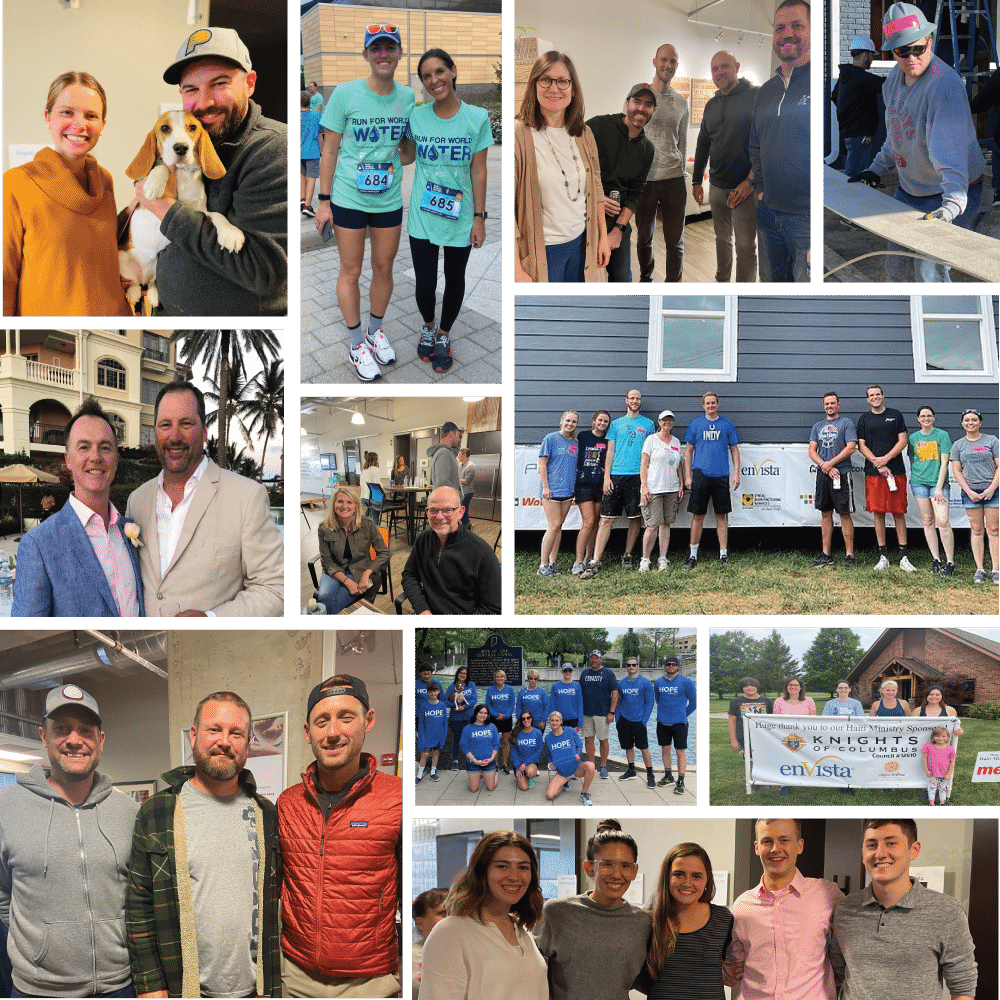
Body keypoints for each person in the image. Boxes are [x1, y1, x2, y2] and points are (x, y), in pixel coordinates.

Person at [126, 691, 281, 998]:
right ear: (194, 735)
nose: (224, 741)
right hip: (182, 988)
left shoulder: (266, 813)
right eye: (214, 729)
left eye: (236, 733)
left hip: (257, 989)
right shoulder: (157, 812)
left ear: (248, 742)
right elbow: (138, 906)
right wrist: (150, 985)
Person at [133, 28, 288, 316]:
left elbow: (262, 271)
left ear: (249, 84)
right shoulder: (193, 139)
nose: (203, 103)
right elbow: (142, 177)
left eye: (219, 84)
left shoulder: (275, 148)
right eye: (191, 89)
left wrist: (165, 208)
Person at [0, 685, 139, 999]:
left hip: (119, 987)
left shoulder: (129, 812)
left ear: (100, 740)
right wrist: (40, 944)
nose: (75, 740)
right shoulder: (6, 808)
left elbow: (138, 896)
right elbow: (2, 893)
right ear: (44, 736)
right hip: (37, 991)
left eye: (85, 731)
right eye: (62, 729)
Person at [277, 675, 403, 999]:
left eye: (346, 717)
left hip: (370, 982)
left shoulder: (398, 798)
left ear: (368, 720)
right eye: (322, 721)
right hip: (297, 976)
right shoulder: (287, 804)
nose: (333, 732)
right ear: (308, 732)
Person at [851, 4, 986, 283]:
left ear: (929, 41)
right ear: (892, 51)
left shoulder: (944, 87)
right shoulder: (893, 82)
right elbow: (897, 134)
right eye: (903, 51)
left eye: (918, 48)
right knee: (896, 269)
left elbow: (952, 158)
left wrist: (951, 207)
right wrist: (876, 169)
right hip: (910, 190)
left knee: (930, 272)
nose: (911, 57)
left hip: (950, 190)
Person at [126, 382, 283, 616]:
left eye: (186, 424)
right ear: (156, 431)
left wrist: (212, 619)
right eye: (165, 425)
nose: (174, 436)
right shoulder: (137, 501)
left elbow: (276, 588)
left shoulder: (247, 497)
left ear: (204, 432)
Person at [314, 24, 415, 380]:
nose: (383, 54)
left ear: (399, 54)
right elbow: (329, 150)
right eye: (376, 49)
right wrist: (323, 201)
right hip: (348, 197)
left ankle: (375, 331)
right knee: (351, 271)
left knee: (384, 269)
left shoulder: (407, 97)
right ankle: (357, 343)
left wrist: (403, 153)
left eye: (390, 48)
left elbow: (406, 151)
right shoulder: (345, 94)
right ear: (366, 55)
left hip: (388, 198)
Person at [3, 72, 130, 317]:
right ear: (48, 117)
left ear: (102, 125)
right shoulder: (16, 183)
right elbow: (4, 277)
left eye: (91, 115)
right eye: (67, 112)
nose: (79, 124)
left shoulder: (105, 180)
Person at [12, 398, 143, 617]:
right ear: (68, 460)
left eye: (105, 447)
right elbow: (28, 632)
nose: (95, 457)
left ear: (116, 460)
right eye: (84, 447)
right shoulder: (38, 545)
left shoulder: (130, 529)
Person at [408, 48, 492, 372]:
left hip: (461, 216)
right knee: (425, 282)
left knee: (455, 278)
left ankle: (444, 334)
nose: (434, 80)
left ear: (453, 71)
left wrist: (479, 218)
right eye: (426, 76)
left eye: (439, 72)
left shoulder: (476, 118)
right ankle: (428, 327)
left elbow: (479, 170)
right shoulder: (416, 117)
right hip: (423, 216)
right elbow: (405, 154)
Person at [830, 819, 977, 1000]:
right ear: (863, 854)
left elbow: (963, 988)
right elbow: (837, 973)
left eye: (891, 843)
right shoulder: (845, 909)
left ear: (914, 850)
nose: (880, 853)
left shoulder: (947, 911)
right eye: (871, 845)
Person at [514, 51, 610, 282]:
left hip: (582, 245)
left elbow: (596, 186)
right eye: (545, 80)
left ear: (573, 88)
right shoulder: (518, 134)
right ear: (534, 85)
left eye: (563, 81)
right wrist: (515, 268)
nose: (554, 88)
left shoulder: (584, 133)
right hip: (542, 251)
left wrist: (602, 236)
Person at [419, 831, 547, 1000]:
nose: (514, 876)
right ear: (481, 872)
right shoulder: (450, 932)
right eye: (502, 866)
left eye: (523, 867)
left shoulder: (522, 930)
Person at [723, 818, 842, 999]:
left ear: (800, 845)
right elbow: (731, 974)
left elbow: (854, 950)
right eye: (767, 841)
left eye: (784, 840)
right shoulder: (742, 906)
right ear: (757, 847)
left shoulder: (827, 894)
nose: (775, 849)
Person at [536, 820, 652, 999]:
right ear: (589, 868)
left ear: (634, 871)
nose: (616, 874)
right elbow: (531, 975)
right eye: (607, 864)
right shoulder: (556, 913)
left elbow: (647, 979)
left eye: (625, 865)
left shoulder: (643, 921)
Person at [749, 1, 812, 283]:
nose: (787, 34)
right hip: (768, 212)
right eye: (779, 28)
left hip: (806, 219)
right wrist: (761, 189)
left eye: (797, 25)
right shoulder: (765, 91)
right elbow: (755, 145)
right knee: (772, 290)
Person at [691, 51, 759, 283]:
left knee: (745, 247)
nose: (719, 72)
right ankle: (722, 284)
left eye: (724, 66)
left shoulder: (756, 96)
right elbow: (703, 143)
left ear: (737, 67)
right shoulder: (711, 105)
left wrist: (750, 181)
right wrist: (697, 180)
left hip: (745, 189)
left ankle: (744, 293)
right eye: (715, 69)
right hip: (717, 187)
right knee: (722, 240)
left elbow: (765, 142)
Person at [641, 842, 733, 999]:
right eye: (679, 874)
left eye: (696, 876)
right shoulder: (648, 921)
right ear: (667, 877)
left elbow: (734, 969)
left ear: (707, 880)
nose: (687, 883)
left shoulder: (723, 919)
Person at [585, 85, 656, 282]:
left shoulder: (648, 149)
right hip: (585, 215)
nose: (641, 108)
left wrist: (618, 230)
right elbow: (573, 162)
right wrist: (596, 197)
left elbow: (635, 193)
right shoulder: (599, 126)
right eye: (637, 102)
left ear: (653, 110)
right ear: (627, 103)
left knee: (623, 279)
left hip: (616, 221)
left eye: (648, 104)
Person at [582, 389, 655, 577]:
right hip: (616, 475)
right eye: (632, 398)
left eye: (638, 398)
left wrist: (646, 480)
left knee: (635, 518)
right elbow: (610, 451)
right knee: (606, 519)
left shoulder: (648, 424)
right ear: (626, 400)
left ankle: (628, 555)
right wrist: (607, 477)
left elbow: (650, 452)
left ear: (641, 401)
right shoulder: (615, 424)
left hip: (637, 476)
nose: (635, 401)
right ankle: (595, 560)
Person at [633, 44, 689, 283]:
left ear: (677, 65)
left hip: (674, 180)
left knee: (675, 242)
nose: (668, 65)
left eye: (673, 61)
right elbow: (629, 135)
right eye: (664, 60)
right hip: (645, 180)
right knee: (643, 238)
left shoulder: (681, 102)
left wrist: (682, 172)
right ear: (654, 62)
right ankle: (646, 281)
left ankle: (673, 288)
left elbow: (683, 142)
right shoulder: (640, 97)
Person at [400, 486, 503, 614]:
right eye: (433, 510)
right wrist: (422, 609)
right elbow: (409, 575)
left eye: (448, 510)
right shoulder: (422, 540)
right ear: (426, 512)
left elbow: (492, 609)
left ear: (461, 512)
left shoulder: (482, 553)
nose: (439, 516)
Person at [856, 383, 913, 572]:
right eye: (871, 395)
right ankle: (883, 556)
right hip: (874, 474)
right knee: (878, 513)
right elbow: (861, 446)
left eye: (877, 394)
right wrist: (878, 463)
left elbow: (903, 441)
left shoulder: (896, 415)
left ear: (883, 396)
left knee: (898, 513)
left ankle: (904, 557)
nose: (875, 397)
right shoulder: (864, 419)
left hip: (896, 471)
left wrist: (886, 459)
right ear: (867, 399)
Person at [682, 391, 741, 569]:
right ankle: (692, 555)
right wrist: (688, 476)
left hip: (721, 475)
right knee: (697, 516)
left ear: (718, 404)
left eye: (713, 403)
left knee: (721, 516)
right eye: (707, 403)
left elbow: (734, 449)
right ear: (703, 406)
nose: (710, 406)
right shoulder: (696, 424)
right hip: (700, 474)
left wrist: (736, 473)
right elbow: (688, 451)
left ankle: (723, 555)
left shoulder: (727, 424)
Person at [315, 486, 389, 615]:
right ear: (333, 504)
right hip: (334, 570)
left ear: (356, 506)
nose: (345, 506)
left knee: (329, 604)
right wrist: (347, 581)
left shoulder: (367, 524)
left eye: (349, 502)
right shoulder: (324, 528)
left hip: (359, 570)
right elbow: (326, 560)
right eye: (340, 501)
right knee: (324, 597)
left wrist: (367, 574)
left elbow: (384, 552)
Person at [808, 391, 858, 569]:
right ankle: (826, 554)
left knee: (844, 513)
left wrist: (831, 464)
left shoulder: (846, 423)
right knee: (825, 513)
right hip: (824, 474)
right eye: (826, 404)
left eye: (832, 403)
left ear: (838, 405)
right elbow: (812, 451)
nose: (829, 406)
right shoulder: (817, 426)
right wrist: (825, 466)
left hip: (841, 474)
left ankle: (850, 555)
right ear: (824, 406)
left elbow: (851, 447)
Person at [950, 407, 999, 584]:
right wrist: (969, 491)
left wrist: (992, 489)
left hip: (992, 491)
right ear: (962, 423)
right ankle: (980, 569)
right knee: (977, 530)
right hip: (970, 492)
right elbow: (956, 471)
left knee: (993, 530)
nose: (970, 423)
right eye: (967, 420)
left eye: (974, 420)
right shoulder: (958, 445)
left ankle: (996, 570)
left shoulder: (992, 440)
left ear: (980, 423)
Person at [907, 405, 955, 574]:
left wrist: (939, 488)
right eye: (923, 416)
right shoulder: (913, 438)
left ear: (934, 418)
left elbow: (944, 463)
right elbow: (913, 459)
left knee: (943, 521)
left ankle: (950, 562)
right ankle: (936, 560)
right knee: (927, 521)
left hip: (937, 484)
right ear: (918, 419)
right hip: (919, 483)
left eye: (929, 416)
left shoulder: (942, 435)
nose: (926, 419)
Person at [832, 36, 886, 177]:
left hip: (848, 132)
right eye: (871, 55)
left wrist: (850, 110)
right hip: (860, 135)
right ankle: (847, 193)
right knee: (854, 176)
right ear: (864, 54)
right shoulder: (861, 77)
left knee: (853, 171)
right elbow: (887, 84)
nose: (872, 60)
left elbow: (834, 96)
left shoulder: (845, 77)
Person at [639, 409, 684, 571]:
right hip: (654, 489)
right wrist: (644, 486)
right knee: (652, 526)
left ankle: (662, 558)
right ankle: (645, 560)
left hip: (671, 488)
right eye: (664, 420)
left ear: (673, 423)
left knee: (666, 524)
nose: (667, 422)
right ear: (659, 422)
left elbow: (678, 466)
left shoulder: (676, 442)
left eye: (670, 420)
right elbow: (644, 464)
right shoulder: (651, 440)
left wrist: (681, 484)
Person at [538, 410, 580, 576]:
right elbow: (542, 464)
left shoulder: (575, 443)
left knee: (559, 527)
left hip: (568, 491)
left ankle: (552, 562)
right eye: (567, 420)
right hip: (552, 490)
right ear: (561, 421)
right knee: (553, 526)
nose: (570, 424)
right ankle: (543, 565)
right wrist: (546, 487)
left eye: (574, 422)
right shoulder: (550, 439)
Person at [572, 410, 610, 574]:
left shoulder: (608, 440)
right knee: (588, 522)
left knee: (595, 523)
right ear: (594, 421)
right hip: (583, 483)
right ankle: (578, 561)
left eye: (605, 421)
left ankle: (588, 557)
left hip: (599, 484)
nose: (602, 423)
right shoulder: (583, 436)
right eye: (600, 420)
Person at [653, 656, 696, 795]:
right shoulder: (658, 682)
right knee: (665, 749)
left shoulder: (686, 682)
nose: (671, 666)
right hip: (662, 722)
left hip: (680, 723)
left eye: (673, 664)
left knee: (680, 752)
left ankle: (681, 781)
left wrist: (683, 714)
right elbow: (658, 699)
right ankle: (668, 776)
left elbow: (694, 702)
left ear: (678, 667)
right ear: (665, 666)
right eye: (668, 664)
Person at [615, 657, 656, 787]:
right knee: (628, 746)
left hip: (639, 721)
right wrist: (617, 720)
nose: (631, 667)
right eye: (629, 665)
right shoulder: (621, 683)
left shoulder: (645, 683)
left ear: (638, 666)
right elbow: (618, 702)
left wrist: (644, 721)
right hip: (624, 720)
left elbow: (650, 703)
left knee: (644, 748)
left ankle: (650, 775)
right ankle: (631, 770)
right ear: (626, 667)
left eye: (633, 665)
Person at [772, 678, 816, 795]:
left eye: (796, 685)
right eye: (790, 685)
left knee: (805, 759)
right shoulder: (779, 701)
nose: (793, 687)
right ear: (786, 687)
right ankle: (783, 784)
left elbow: (813, 720)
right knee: (785, 760)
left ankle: (809, 778)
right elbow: (774, 720)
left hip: (804, 735)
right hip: (785, 735)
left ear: (800, 687)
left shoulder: (809, 700)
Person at [579, 649, 619, 779]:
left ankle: (603, 766)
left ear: (601, 659)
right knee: (588, 739)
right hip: (587, 713)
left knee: (603, 740)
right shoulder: (585, 673)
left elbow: (615, 693)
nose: (594, 660)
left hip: (602, 713)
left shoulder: (608, 673)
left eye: (596, 657)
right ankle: (592, 765)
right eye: (592, 657)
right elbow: (580, 694)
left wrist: (612, 712)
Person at [543, 711, 595, 805]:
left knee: (590, 766)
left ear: (561, 721)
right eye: (552, 720)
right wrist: (550, 765)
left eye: (557, 720)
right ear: (549, 722)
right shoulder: (548, 738)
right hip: (563, 772)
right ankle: (565, 781)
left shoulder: (570, 731)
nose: (554, 723)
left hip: (576, 768)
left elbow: (579, 745)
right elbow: (548, 755)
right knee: (550, 795)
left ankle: (584, 793)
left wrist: (578, 754)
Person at [412, 889, 447, 1000]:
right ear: (420, 923)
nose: (452, 918)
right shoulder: (409, 956)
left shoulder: (471, 953)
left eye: (456, 912)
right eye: (443, 913)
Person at [459, 704, 500, 793]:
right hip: (473, 762)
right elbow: (464, 747)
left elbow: (496, 744)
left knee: (490, 788)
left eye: (485, 713)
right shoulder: (468, 728)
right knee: (474, 789)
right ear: (476, 713)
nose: (483, 715)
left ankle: (495, 774)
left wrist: (491, 758)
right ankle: (479, 774)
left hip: (489, 761)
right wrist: (474, 760)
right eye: (480, 712)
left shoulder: (492, 727)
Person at [728, 677, 773, 757]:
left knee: (764, 758)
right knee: (750, 759)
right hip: (744, 736)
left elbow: (773, 719)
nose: (749, 688)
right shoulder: (735, 701)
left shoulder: (767, 701)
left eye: (752, 685)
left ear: (757, 687)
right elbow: (732, 721)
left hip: (764, 736)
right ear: (742, 688)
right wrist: (733, 740)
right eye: (746, 686)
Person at [445, 665, 477, 770]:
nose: (462, 675)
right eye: (461, 673)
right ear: (457, 674)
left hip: (469, 716)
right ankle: (455, 761)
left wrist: (464, 707)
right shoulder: (452, 687)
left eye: (464, 673)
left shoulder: (471, 685)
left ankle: (473, 761)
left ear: (467, 675)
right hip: (456, 718)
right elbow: (445, 701)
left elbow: (474, 699)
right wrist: (454, 706)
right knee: (456, 738)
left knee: (471, 738)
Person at [416, 681, 448, 784]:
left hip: (438, 735)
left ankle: (433, 772)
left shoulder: (442, 705)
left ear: (438, 691)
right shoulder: (424, 705)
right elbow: (421, 723)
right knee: (425, 754)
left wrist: (443, 736)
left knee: (436, 753)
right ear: (428, 693)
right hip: (427, 736)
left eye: (435, 691)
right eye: (430, 692)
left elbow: (445, 722)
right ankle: (419, 774)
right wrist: (421, 737)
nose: (433, 693)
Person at [485, 669, 516, 773]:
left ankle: (505, 764)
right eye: (497, 677)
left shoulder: (510, 689)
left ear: (505, 678)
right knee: (495, 742)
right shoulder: (490, 690)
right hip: (494, 719)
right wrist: (495, 715)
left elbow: (512, 705)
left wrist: (505, 716)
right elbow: (488, 705)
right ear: (495, 678)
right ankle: (496, 764)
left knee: (505, 742)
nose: (499, 678)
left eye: (501, 676)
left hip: (506, 718)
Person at [299, 90, 322, 218]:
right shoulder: (316, 116)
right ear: (310, 103)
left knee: (302, 175)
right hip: (312, 151)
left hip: (299, 152)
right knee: (311, 177)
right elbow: (321, 132)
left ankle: (302, 200)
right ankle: (308, 206)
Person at [922, 726, 956, 805]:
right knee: (931, 787)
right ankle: (931, 803)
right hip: (932, 773)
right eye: (937, 736)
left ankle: (942, 802)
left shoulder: (950, 748)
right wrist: (926, 770)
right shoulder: (928, 746)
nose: (940, 738)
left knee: (943, 788)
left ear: (947, 737)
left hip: (944, 773)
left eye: (943, 736)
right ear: (933, 737)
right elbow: (924, 758)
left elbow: (952, 762)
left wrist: (949, 774)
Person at [428, 422, 464, 497]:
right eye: (458, 436)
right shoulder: (444, 453)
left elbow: (456, 451)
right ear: (451, 434)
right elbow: (443, 483)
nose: (458, 439)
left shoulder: (448, 452)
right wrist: (456, 496)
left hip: (449, 500)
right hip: (448, 501)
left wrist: (460, 435)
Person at [511, 710, 544, 791]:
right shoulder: (516, 733)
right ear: (521, 720)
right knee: (524, 788)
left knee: (530, 772)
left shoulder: (538, 733)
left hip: (531, 763)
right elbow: (514, 752)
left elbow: (539, 752)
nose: (526, 720)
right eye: (523, 719)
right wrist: (518, 767)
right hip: (519, 764)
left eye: (528, 718)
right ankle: (523, 775)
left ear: (531, 719)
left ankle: (530, 776)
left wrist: (525, 764)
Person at [550, 663, 584, 732]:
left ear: (572, 672)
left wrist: (580, 722)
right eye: (565, 671)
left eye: (569, 671)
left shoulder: (577, 686)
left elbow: (580, 704)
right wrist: (552, 719)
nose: (567, 672)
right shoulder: (555, 685)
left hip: (573, 719)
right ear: (562, 672)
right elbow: (552, 704)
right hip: (558, 719)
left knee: (571, 738)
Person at [515, 669, 549, 734]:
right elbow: (518, 708)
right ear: (528, 679)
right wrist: (520, 720)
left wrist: (543, 721)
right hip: (525, 723)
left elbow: (546, 707)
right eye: (531, 679)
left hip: (539, 723)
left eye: (535, 679)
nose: (533, 681)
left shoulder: (542, 692)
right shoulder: (522, 692)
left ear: (537, 680)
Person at [458, 448, 476, 526]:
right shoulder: (460, 465)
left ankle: (466, 526)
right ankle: (467, 524)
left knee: (463, 510)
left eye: (459, 454)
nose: (458, 456)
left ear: (464, 455)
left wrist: (455, 479)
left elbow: (466, 481)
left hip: (467, 492)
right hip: (461, 491)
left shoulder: (471, 466)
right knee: (461, 510)